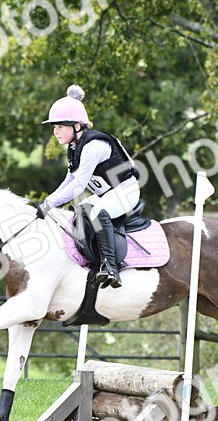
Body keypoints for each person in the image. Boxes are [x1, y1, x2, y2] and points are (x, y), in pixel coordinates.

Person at [34, 84, 140, 288]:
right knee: (80, 210)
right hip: (108, 194)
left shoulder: (93, 146)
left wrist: (50, 204)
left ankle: (111, 267)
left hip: (126, 192)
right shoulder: (75, 148)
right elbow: (69, 181)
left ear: (76, 126)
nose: (55, 132)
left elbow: (78, 186)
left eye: (60, 127)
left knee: (98, 212)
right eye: (54, 127)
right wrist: (48, 201)